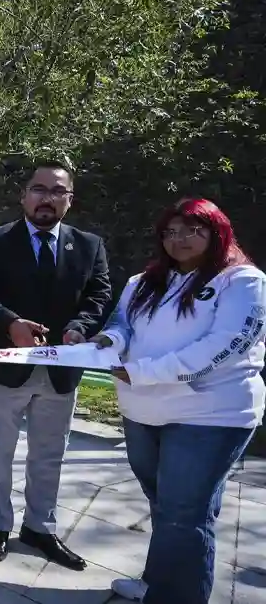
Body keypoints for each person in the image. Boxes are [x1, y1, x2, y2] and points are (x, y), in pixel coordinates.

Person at [94, 198, 264, 604]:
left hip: (209, 415)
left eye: (192, 230)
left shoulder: (242, 281)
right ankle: (158, 581)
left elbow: (226, 346)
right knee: (167, 506)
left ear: (216, 231)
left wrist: (145, 371)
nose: (179, 239)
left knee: (185, 514)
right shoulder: (143, 281)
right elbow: (121, 324)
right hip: (142, 410)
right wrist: (108, 341)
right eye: (170, 232)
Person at [0, 160, 111, 569]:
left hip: (61, 370)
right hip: (6, 368)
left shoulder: (89, 245)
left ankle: (40, 527)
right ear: (24, 196)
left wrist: (79, 328)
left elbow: (100, 295)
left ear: (70, 199)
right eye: (39, 189)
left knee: (49, 454)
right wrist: (9, 323)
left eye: (57, 191)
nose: (47, 198)